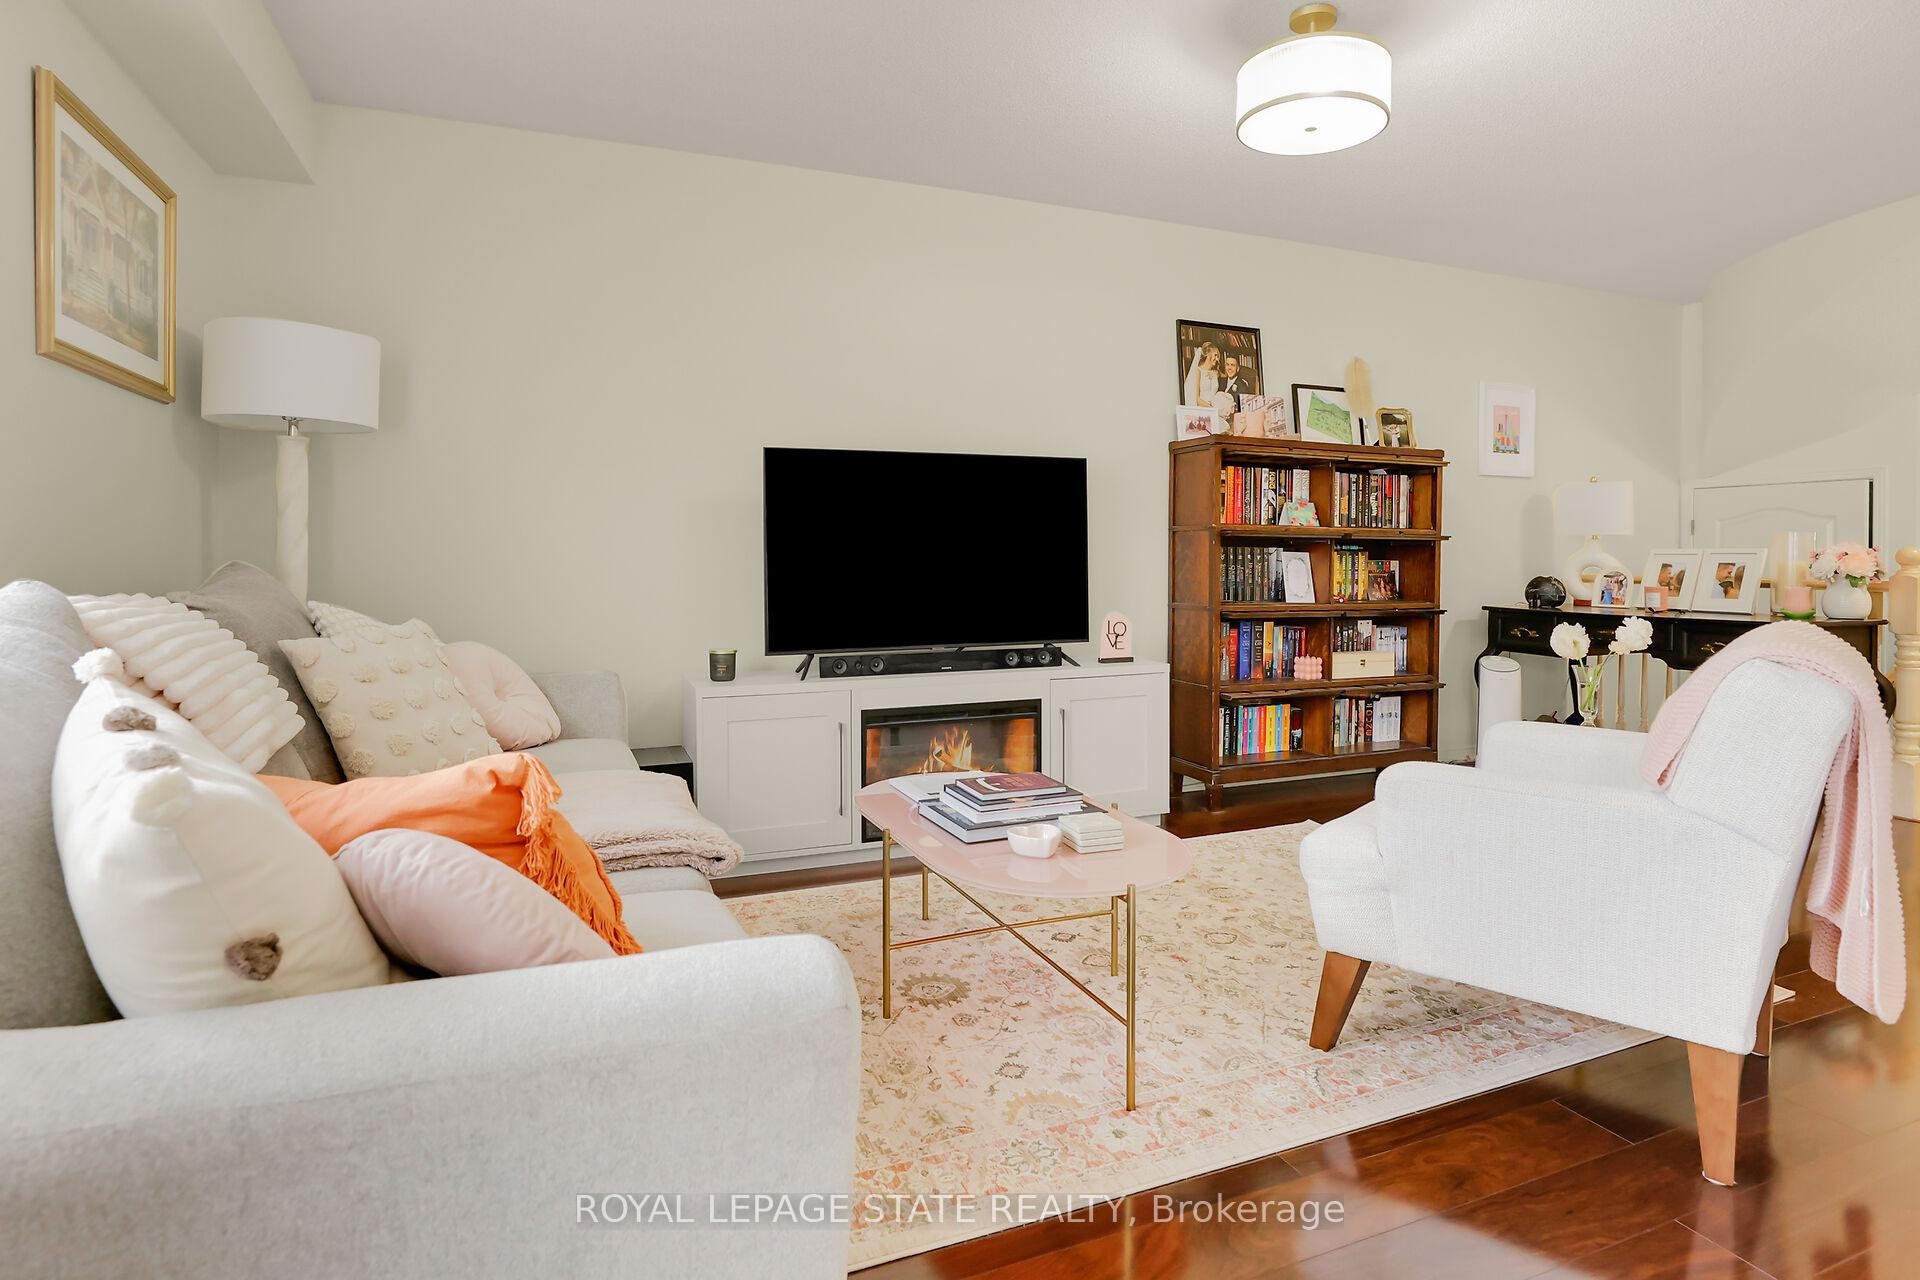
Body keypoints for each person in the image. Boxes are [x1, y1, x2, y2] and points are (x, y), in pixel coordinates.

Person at [1182, 342, 1221, 410]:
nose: (1217, 359)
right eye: (1215, 355)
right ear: (1208, 354)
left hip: (1214, 408)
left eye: (1217, 356)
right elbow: (1197, 399)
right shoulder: (1198, 371)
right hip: (1202, 408)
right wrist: (1212, 408)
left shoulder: (1215, 373)